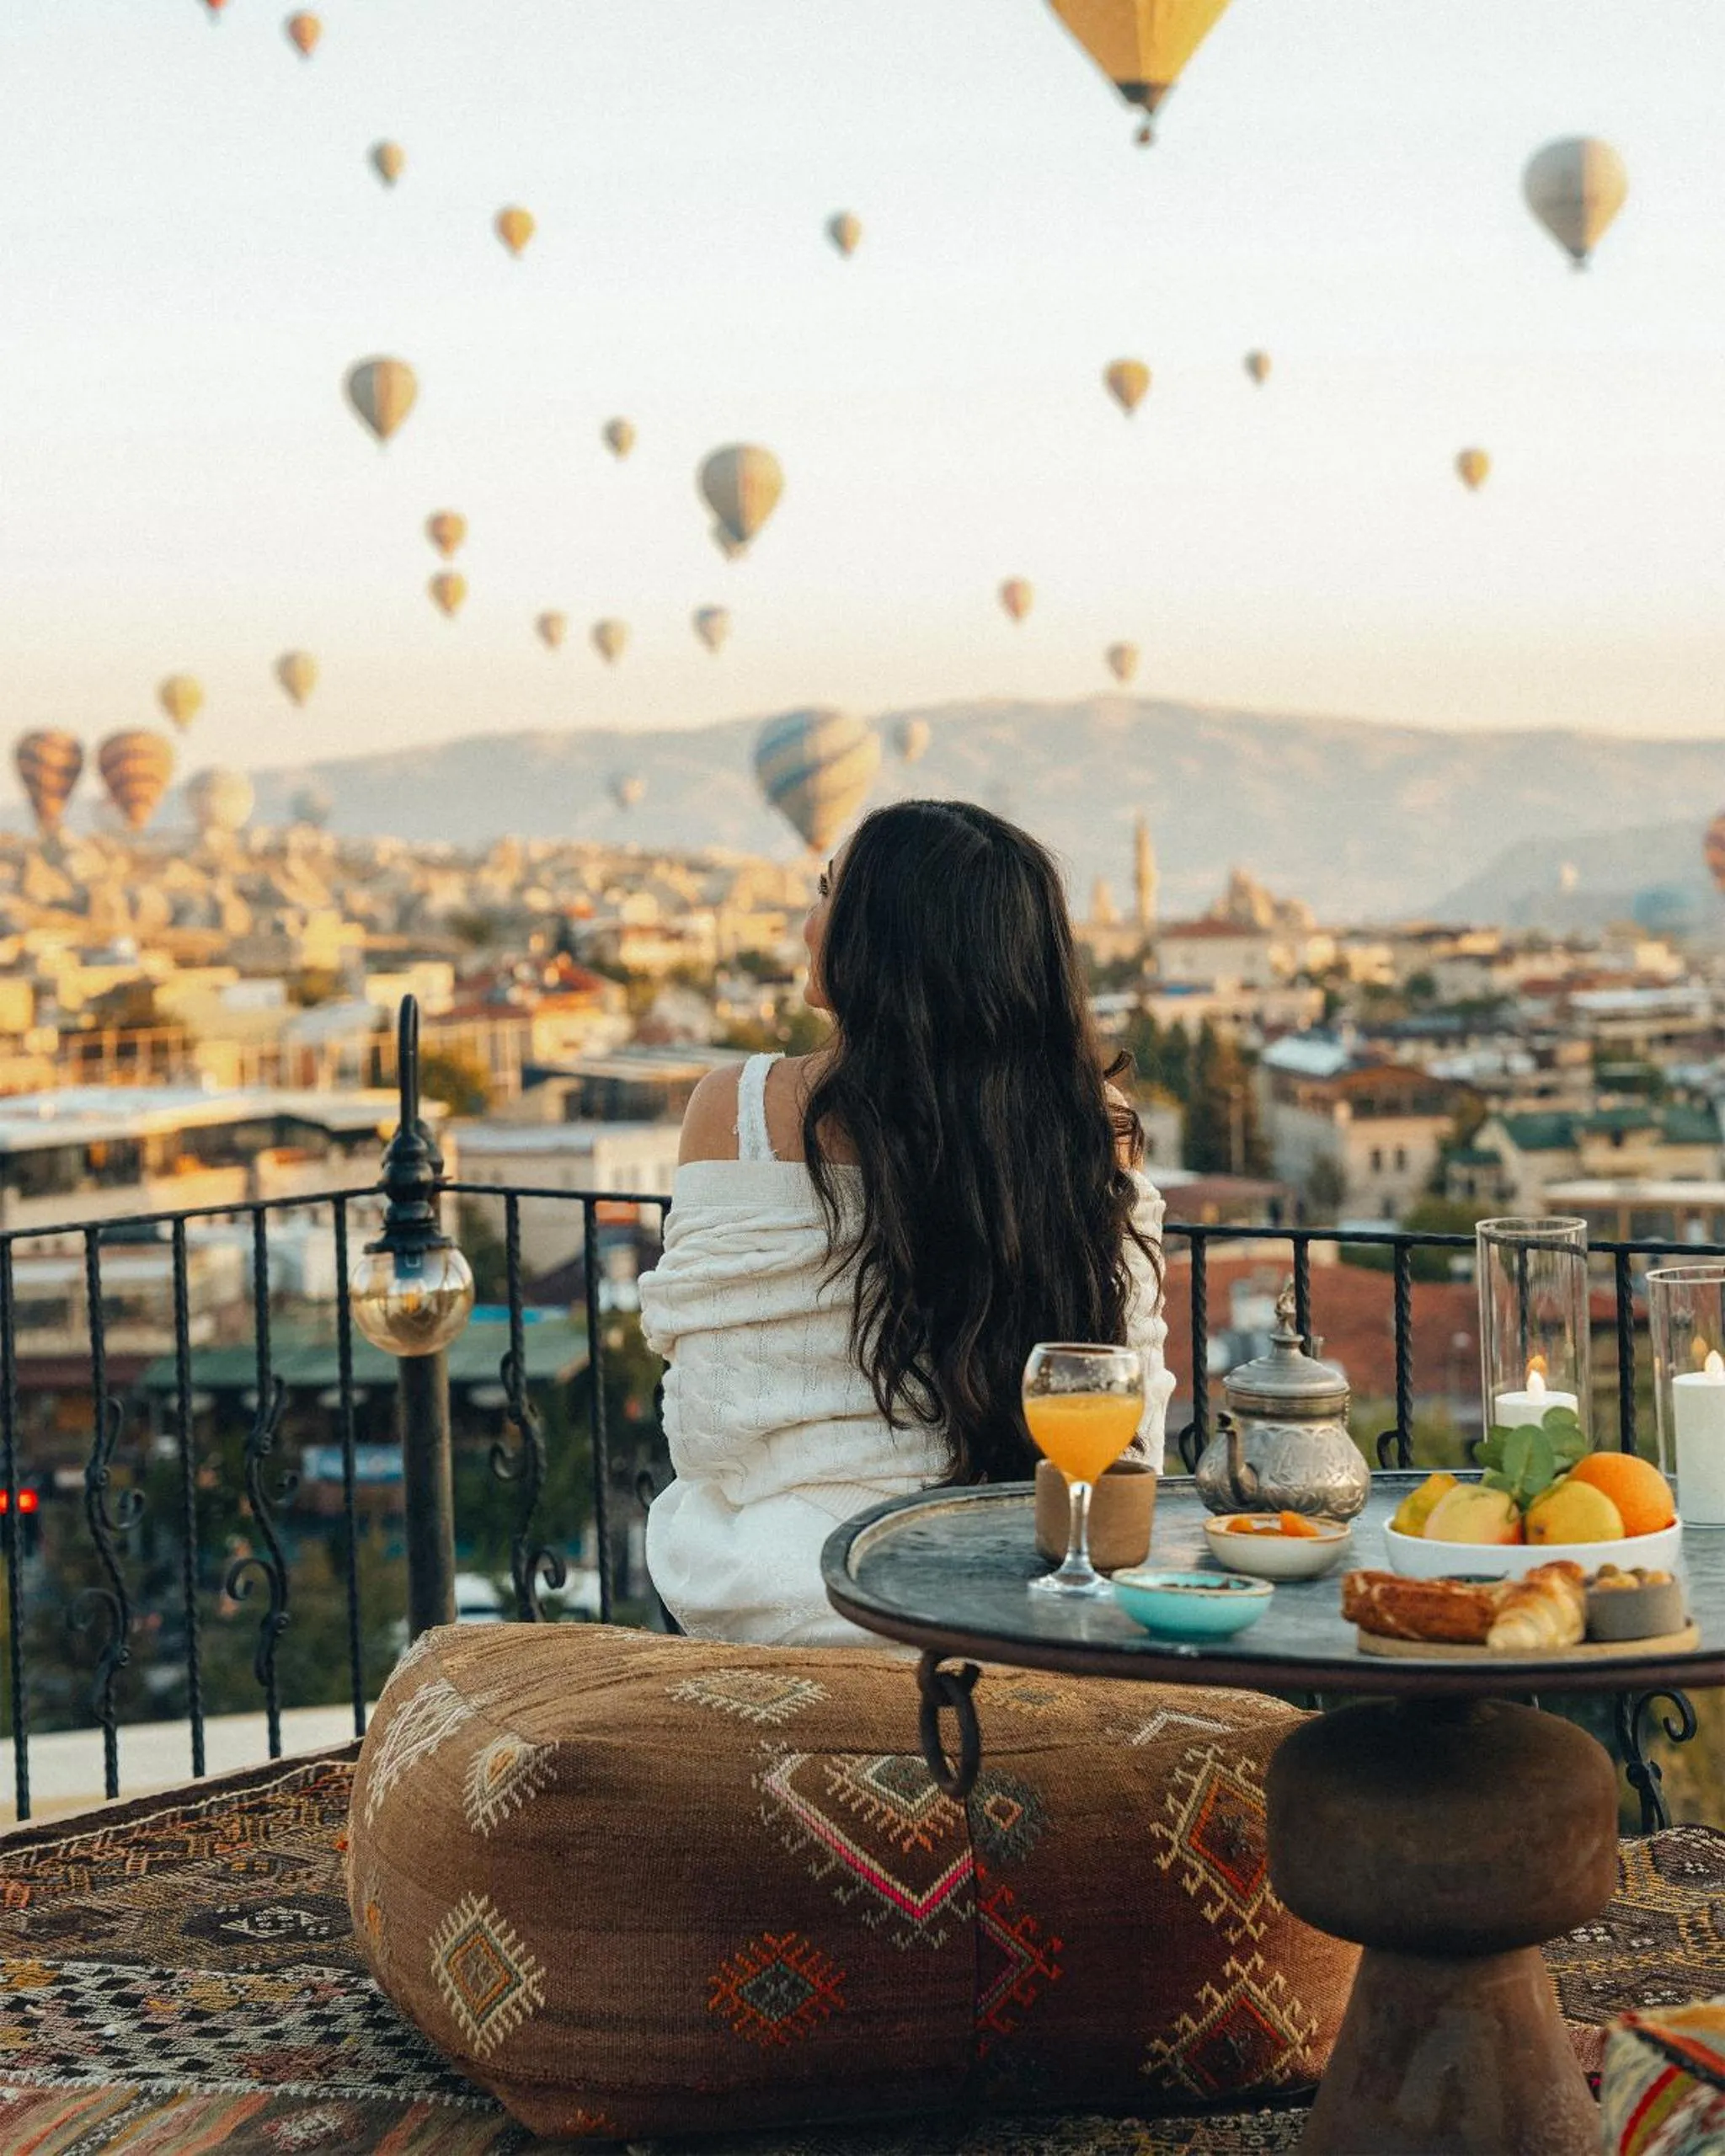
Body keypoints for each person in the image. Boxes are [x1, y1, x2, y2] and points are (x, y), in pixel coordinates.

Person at [638, 800, 1176, 1645]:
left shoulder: (738, 1109)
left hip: (795, 1589)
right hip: (1031, 1586)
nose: (808, 924)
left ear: (884, 937)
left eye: (829, 894)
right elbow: (1127, 1411)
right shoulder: (1091, 1131)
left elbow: (707, 1420)